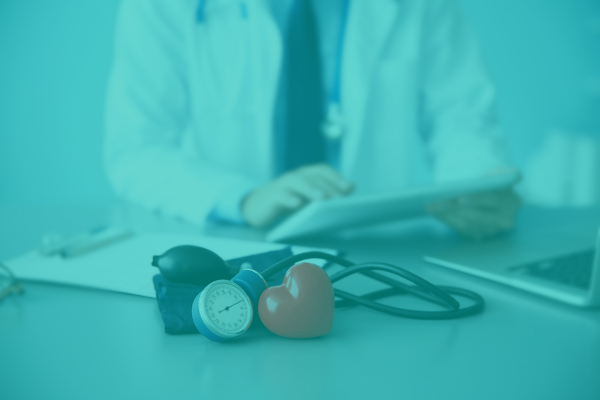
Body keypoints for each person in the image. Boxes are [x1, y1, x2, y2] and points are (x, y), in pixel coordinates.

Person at [104, 0, 520, 239]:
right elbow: (136, 150)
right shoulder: (160, 7)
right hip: (232, 246)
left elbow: (461, 117)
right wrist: (243, 198)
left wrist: (476, 184)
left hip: (377, 249)